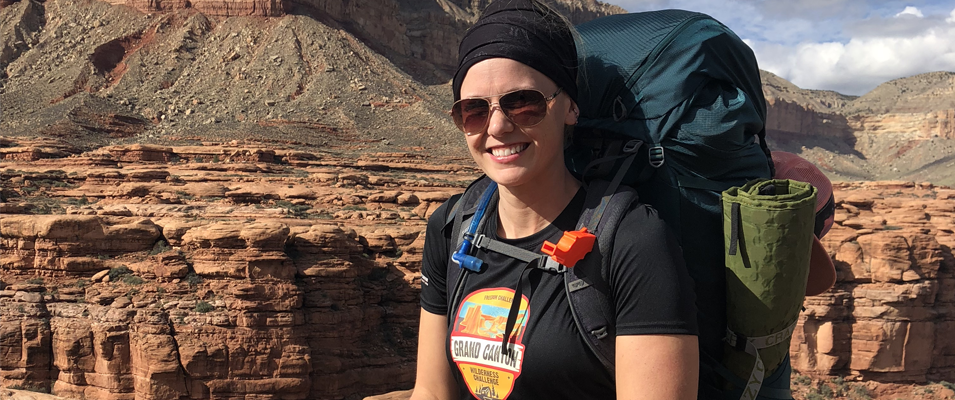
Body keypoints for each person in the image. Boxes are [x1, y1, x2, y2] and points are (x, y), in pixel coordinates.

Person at [411, 1, 700, 399]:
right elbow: (430, 391)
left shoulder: (632, 240)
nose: (497, 126)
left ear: (570, 107)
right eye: (475, 111)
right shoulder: (450, 227)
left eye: (523, 103)